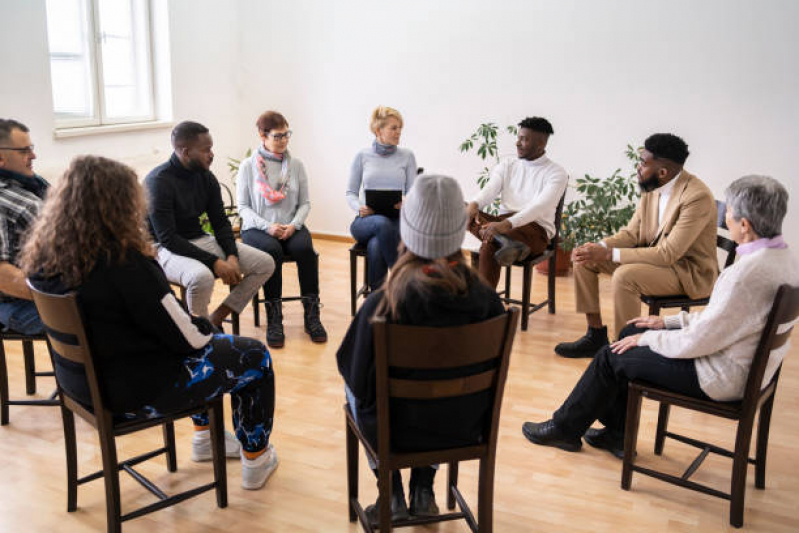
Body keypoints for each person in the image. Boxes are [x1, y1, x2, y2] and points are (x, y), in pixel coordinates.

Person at [21, 156, 279, 489]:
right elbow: (189, 340)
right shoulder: (126, 263)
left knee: (205, 342)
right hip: (135, 394)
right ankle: (256, 459)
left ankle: (205, 440)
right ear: (120, 205)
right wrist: (206, 327)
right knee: (252, 354)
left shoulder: (45, 260)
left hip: (83, 388)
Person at [523, 176, 798, 459]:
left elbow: (702, 339)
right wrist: (664, 322)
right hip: (742, 365)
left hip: (719, 376)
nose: (725, 216)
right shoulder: (783, 259)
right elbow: (727, 319)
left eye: (728, 212)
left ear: (744, 225)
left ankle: (565, 428)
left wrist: (651, 338)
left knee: (610, 355)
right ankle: (616, 433)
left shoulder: (744, 275)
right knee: (629, 334)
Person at [337, 175, 505, 523]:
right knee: (443, 390)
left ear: (407, 229)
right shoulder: (487, 299)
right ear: (458, 229)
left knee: (351, 383)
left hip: (394, 432)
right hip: (463, 425)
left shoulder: (383, 303)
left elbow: (355, 378)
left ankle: (392, 491)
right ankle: (424, 488)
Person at [555, 133, 717, 358]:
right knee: (585, 259)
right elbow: (631, 234)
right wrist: (597, 246)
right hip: (657, 260)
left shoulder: (696, 197)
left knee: (625, 276)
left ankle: (624, 348)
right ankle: (595, 335)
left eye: (643, 163)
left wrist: (609, 253)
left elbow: (668, 254)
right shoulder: (653, 186)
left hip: (686, 271)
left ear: (662, 172)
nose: (638, 168)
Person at [145, 121, 275, 332]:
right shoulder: (158, 182)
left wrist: (231, 256)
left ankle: (212, 322)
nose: (211, 154)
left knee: (265, 263)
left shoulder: (206, 177)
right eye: (206, 150)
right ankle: (197, 335)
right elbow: (168, 238)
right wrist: (215, 262)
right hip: (162, 249)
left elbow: (220, 223)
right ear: (185, 152)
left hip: (198, 239)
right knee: (201, 277)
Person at [237, 111, 326, 348]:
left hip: (290, 225)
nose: (284, 140)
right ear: (262, 136)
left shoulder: (296, 165)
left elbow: (305, 203)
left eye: (287, 134)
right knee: (271, 253)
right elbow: (243, 208)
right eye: (278, 136)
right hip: (258, 228)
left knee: (305, 250)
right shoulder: (248, 167)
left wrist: (294, 225)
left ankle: (311, 315)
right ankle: (274, 318)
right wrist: (268, 227)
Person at [466, 116, 569, 288]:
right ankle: (503, 242)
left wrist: (506, 225)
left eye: (524, 139)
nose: (517, 143)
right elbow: (490, 189)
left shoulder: (556, 173)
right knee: (457, 207)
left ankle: (485, 306)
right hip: (503, 224)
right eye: (518, 138)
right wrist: (474, 205)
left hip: (535, 230)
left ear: (541, 144)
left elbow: (539, 207)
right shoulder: (508, 164)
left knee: (490, 243)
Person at [347, 106, 417, 290]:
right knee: (381, 224)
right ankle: (404, 280)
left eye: (400, 128)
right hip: (365, 221)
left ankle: (376, 299)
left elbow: (413, 192)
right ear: (379, 130)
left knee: (377, 244)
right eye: (393, 128)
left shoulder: (407, 156)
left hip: (396, 221)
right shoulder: (362, 156)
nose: (398, 132)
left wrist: (407, 201)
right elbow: (350, 193)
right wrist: (359, 207)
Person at [0, 119, 48, 335]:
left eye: (31, 148)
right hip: (18, 303)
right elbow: (3, 278)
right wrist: (61, 296)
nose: (33, 156)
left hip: (44, 291)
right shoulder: (5, 201)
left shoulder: (34, 186)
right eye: (24, 151)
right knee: (105, 322)